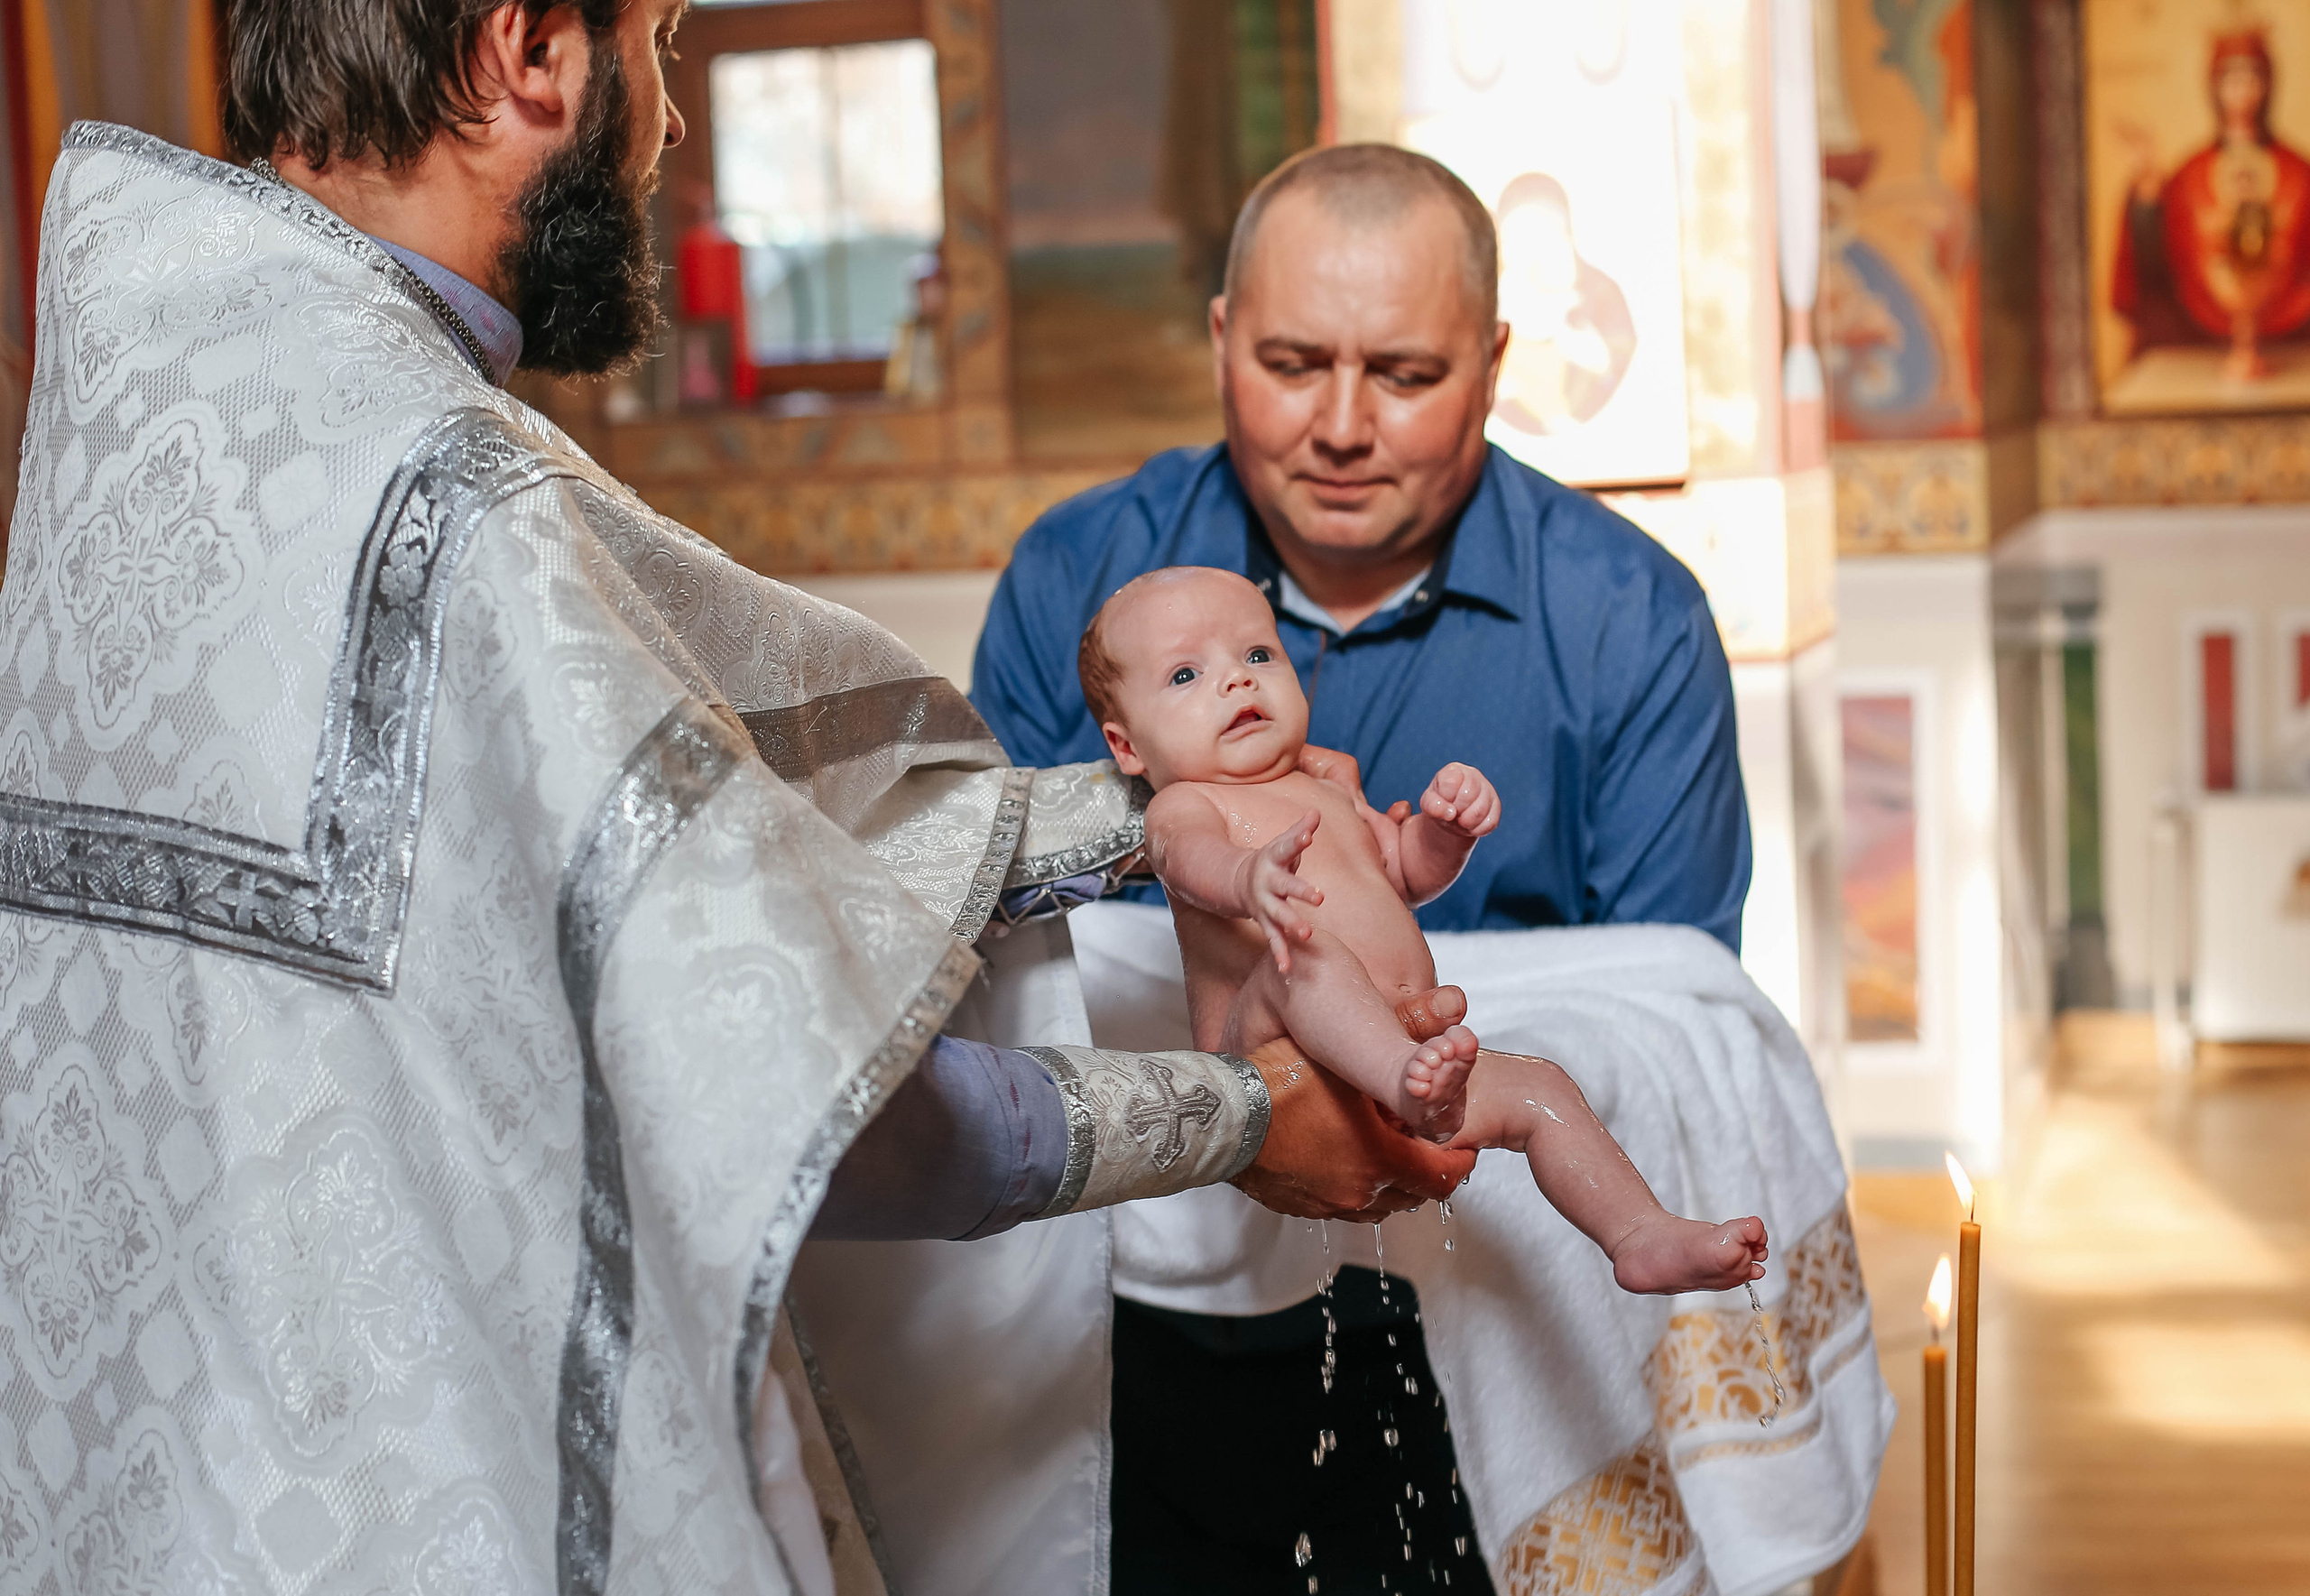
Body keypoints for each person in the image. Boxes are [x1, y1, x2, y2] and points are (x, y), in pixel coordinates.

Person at [0, 8, 1605, 1591]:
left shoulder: (153, 414)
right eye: (662, 44)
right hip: (448, 1476)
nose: (671, 120)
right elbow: (789, 1079)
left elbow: (732, 850)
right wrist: (1240, 1112)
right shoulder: (461, 503)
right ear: (530, 53)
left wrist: (1183, 817)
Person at [973, 143, 1755, 1590]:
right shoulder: (1081, 583)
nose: (1340, 425)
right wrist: (1266, 1095)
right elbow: (1005, 957)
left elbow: (1675, 1005)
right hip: (1157, 1329)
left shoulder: (1629, 622)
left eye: (1403, 373)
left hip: (1512, 1318)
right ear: (1220, 339)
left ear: (1496, 357)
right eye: (1288, 362)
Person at [1087, 564, 1771, 1290]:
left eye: (1259, 655)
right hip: (1262, 1051)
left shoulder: (1329, 790)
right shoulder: (1189, 805)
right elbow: (1187, 859)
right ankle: (1405, 1084)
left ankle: (1639, 1231)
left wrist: (1446, 834)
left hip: (1405, 1059)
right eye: (1186, 674)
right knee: (1308, 952)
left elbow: (1405, 878)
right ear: (1127, 747)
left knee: (1543, 1089)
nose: (1238, 681)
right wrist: (1246, 878)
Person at [2112, 27, 2310, 380]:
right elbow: (2157, 260)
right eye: (2231, 80)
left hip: (2290, 330)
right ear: (2215, 88)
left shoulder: (2298, 173)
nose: (2242, 91)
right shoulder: (2190, 176)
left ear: (2268, 85)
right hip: (2202, 332)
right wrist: (2145, 197)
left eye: (2252, 78)